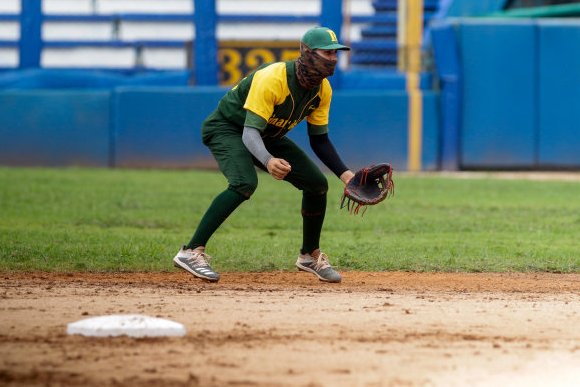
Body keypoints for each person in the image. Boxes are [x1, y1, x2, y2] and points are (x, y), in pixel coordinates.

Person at [173, 26, 354, 283]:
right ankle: (191, 251)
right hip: (228, 128)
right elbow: (248, 134)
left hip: (267, 135)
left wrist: (347, 176)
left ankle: (309, 256)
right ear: (306, 51)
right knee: (244, 182)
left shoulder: (322, 90)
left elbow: (320, 140)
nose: (334, 59)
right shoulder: (274, 78)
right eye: (327, 53)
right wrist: (268, 160)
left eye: (336, 54)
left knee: (317, 184)